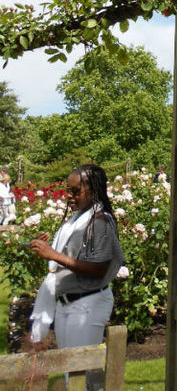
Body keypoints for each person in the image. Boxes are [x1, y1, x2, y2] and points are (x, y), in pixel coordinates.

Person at [28, 165, 124, 387]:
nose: (69, 196)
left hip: (87, 306)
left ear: (95, 191)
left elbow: (98, 267)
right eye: (67, 190)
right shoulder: (78, 219)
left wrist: (54, 254)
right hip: (68, 304)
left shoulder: (100, 222)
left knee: (84, 375)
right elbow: (71, 257)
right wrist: (49, 248)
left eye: (75, 191)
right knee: (71, 376)